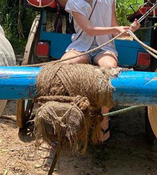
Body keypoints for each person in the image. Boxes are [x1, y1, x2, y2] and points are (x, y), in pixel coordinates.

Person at [59, 0, 140, 143]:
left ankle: (104, 120)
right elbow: (90, 30)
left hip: (105, 48)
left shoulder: (109, 1)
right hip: (81, 47)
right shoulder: (74, 3)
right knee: (63, 66)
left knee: (110, 69)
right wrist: (116, 29)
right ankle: (65, 115)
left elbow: (115, 28)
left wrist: (129, 29)